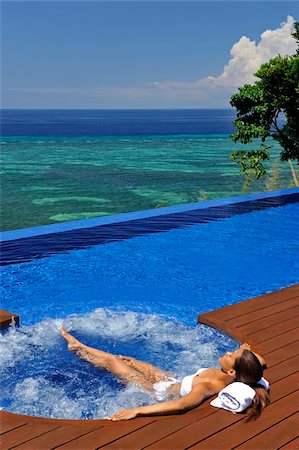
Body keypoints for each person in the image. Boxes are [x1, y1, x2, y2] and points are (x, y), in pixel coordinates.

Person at [60, 327, 270, 421]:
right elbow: (261, 363)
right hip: (169, 380)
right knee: (126, 360)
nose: (227, 352)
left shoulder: (208, 386)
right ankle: (80, 345)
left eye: (231, 354)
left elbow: (180, 405)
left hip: (155, 393)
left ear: (232, 370)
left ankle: (77, 348)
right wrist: (244, 351)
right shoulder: (236, 373)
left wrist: (138, 410)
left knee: (114, 362)